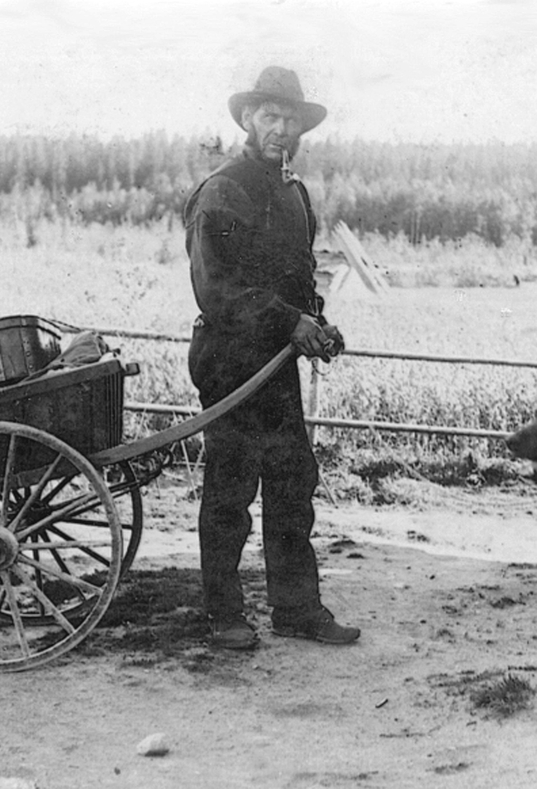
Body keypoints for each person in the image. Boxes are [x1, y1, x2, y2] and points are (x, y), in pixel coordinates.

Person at [183, 66, 359, 650]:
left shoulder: (292, 193)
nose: (281, 129)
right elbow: (220, 291)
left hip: (274, 363)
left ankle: (297, 610)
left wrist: (316, 321)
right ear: (248, 121)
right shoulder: (223, 191)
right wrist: (291, 322)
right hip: (231, 362)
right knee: (230, 489)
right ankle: (224, 614)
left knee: (291, 483)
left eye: (290, 120)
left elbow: (298, 276)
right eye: (270, 117)